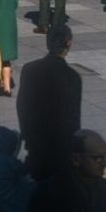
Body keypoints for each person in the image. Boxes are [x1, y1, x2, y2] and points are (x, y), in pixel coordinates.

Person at [17, 22, 82, 182]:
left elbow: (22, 106)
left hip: (36, 143)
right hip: (60, 147)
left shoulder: (29, 69)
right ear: (69, 43)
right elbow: (74, 117)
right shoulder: (73, 77)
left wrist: (27, 134)